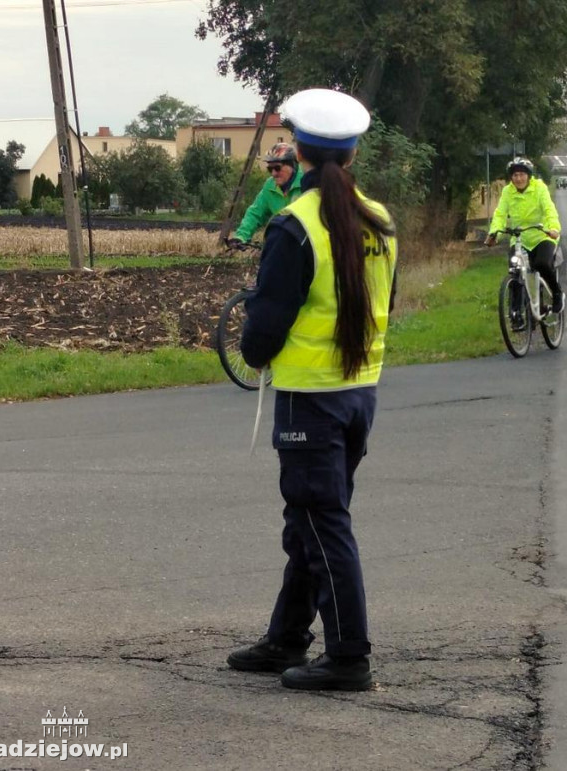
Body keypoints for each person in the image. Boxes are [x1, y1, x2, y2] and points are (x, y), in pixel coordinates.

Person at [228, 88, 397, 692]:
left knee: (321, 522)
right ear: (351, 154)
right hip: (360, 392)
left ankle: (349, 656)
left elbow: (264, 326)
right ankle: (286, 638)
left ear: (298, 151)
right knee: (312, 519)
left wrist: (252, 350)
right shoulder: (379, 219)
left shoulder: (294, 223)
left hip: (309, 397)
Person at [485, 157, 564, 312]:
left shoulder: (539, 188)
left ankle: (556, 293)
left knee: (542, 264)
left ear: (528, 175)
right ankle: (515, 313)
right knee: (515, 270)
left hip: (543, 235)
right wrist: (494, 233)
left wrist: (553, 228)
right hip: (520, 238)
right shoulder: (508, 192)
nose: (518, 178)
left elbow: (549, 209)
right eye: (515, 175)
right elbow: (500, 214)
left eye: (522, 174)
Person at [229, 142, 304, 245]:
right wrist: (241, 236)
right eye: (270, 169)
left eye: (277, 168)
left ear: (292, 165)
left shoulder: (307, 182)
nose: (273, 173)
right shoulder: (270, 186)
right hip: (283, 244)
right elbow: (255, 213)